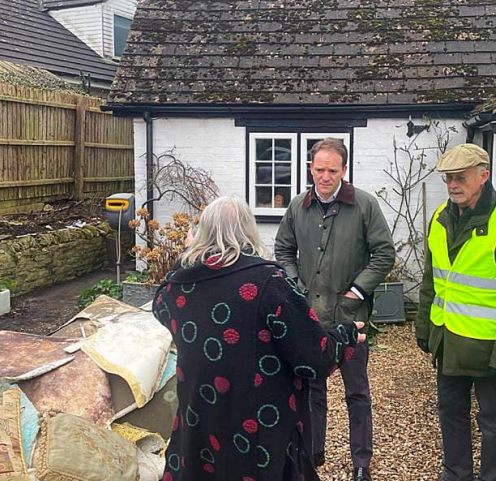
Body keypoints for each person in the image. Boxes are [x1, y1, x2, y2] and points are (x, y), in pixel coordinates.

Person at [152, 195, 366, 481]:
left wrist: (187, 256)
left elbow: (159, 305)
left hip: (199, 431)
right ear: (248, 231)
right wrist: (347, 333)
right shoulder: (269, 283)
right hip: (257, 436)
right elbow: (315, 359)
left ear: (199, 234)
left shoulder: (178, 289)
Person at [274, 138, 395, 481]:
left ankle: (361, 462)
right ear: (310, 168)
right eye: (319, 169)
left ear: (344, 170)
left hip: (350, 318)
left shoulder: (365, 206)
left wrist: (357, 290)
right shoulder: (298, 206)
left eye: (332, 170)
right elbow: (283, 250)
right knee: (313, 389)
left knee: (357, 392)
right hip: (310, 317)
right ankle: (313, 452)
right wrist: (296, 284)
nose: (325, 176)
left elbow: (384, 253)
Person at [416, 144, 496, 481]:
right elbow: (432, 279)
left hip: (487, 345)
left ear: (484, 175)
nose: (453, 185)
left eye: (461, 178)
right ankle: (456, 474)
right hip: (448, 339)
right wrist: (425, 328)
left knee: (493, 419)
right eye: (448, 178)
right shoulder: (441, 218)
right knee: (450, 412)